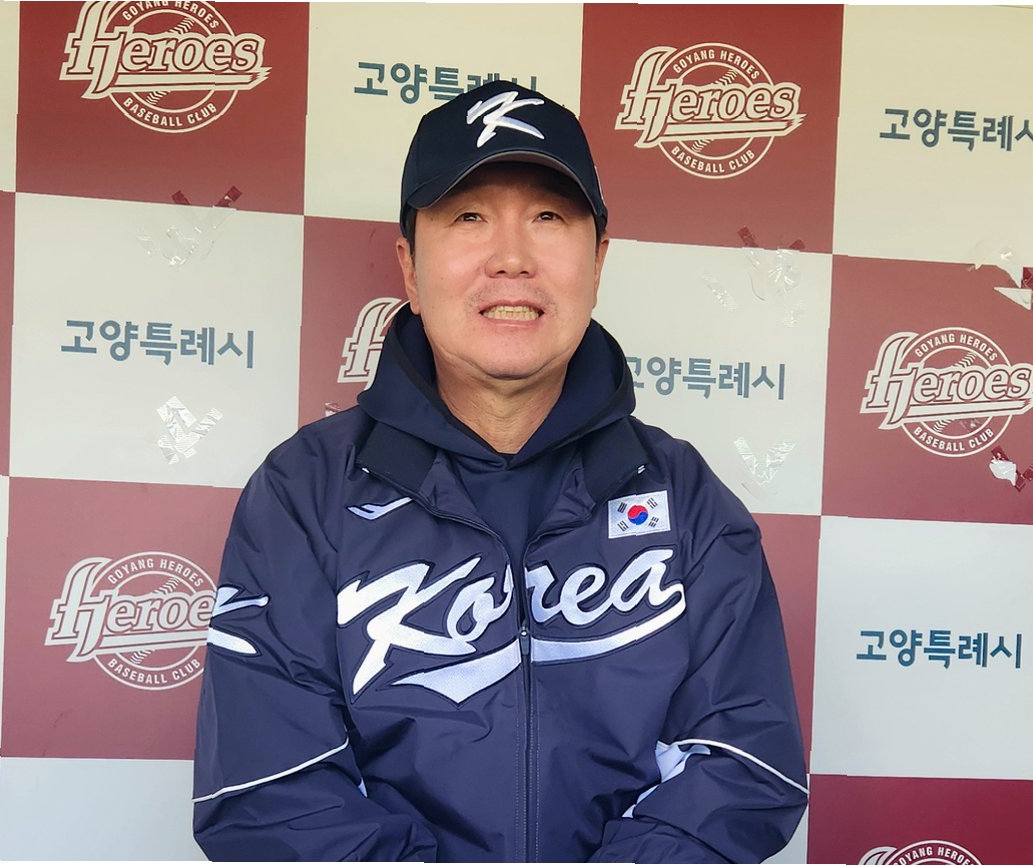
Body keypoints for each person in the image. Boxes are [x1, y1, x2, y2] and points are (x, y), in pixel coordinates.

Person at [192, 79, 808, 863]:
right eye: (469, 217)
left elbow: (744, 766)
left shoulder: (683, 495)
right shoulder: (305, 491)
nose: (512, 258)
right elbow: (269, 790)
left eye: (549, 217)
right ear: (410, 269)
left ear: (598, 260)